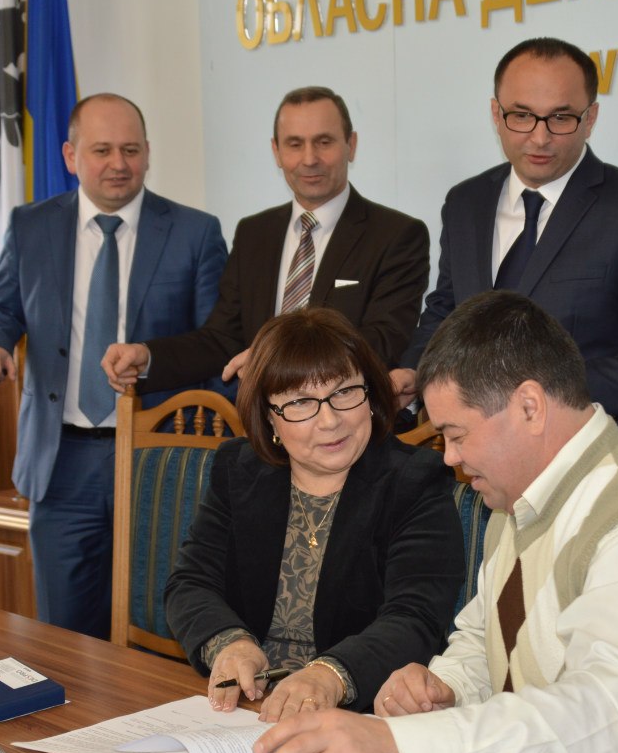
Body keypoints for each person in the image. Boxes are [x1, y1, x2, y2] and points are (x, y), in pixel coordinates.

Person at [253, 290, 618, 753]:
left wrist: (399, 750)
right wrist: (446, 686)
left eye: (456, 434)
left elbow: (602, 722)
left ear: (529, 406)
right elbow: (487, 638)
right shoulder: (520, 495)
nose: (449, 458)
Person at [0, 93, 228, 638]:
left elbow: (217, 342)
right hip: (60, 461)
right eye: (102, 150)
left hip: (159, 458)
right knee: (63, 634)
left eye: (130, 150)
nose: (118, 163)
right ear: (70, 155)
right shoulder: (31, 226)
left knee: (160, 626)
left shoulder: (195, 232)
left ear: (148, 153)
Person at [390, 37, 618, 440]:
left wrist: (550, 399)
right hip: (472, 456)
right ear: (496, 114)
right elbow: (448, 310)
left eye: (560, 118)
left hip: (588, 452)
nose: (539, 138)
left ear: (590, 118)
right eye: (521, 115)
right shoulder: (466, 202)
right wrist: (414, 370)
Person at [165, 308, 464, 720]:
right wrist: (229, 644)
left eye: (345, 392)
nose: (330, 420)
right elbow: (190, 583)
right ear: (270, 418)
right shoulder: (239, 469)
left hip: (357, 714)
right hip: (245, 708)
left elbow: (415, 617)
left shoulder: (415, 480)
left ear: (371, 395)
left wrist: (329, 675)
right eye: (301, 402)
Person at [101, 86, 430, 398]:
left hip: (348, 424)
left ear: (351, 145)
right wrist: (148, 356)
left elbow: (381, 341)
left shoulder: (397, 235)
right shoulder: (254, 233)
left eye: (324, 141)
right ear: (276, 151)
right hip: (259, 427)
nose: (309, 158)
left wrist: (273, 358)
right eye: (295, 144)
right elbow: (223, 339)